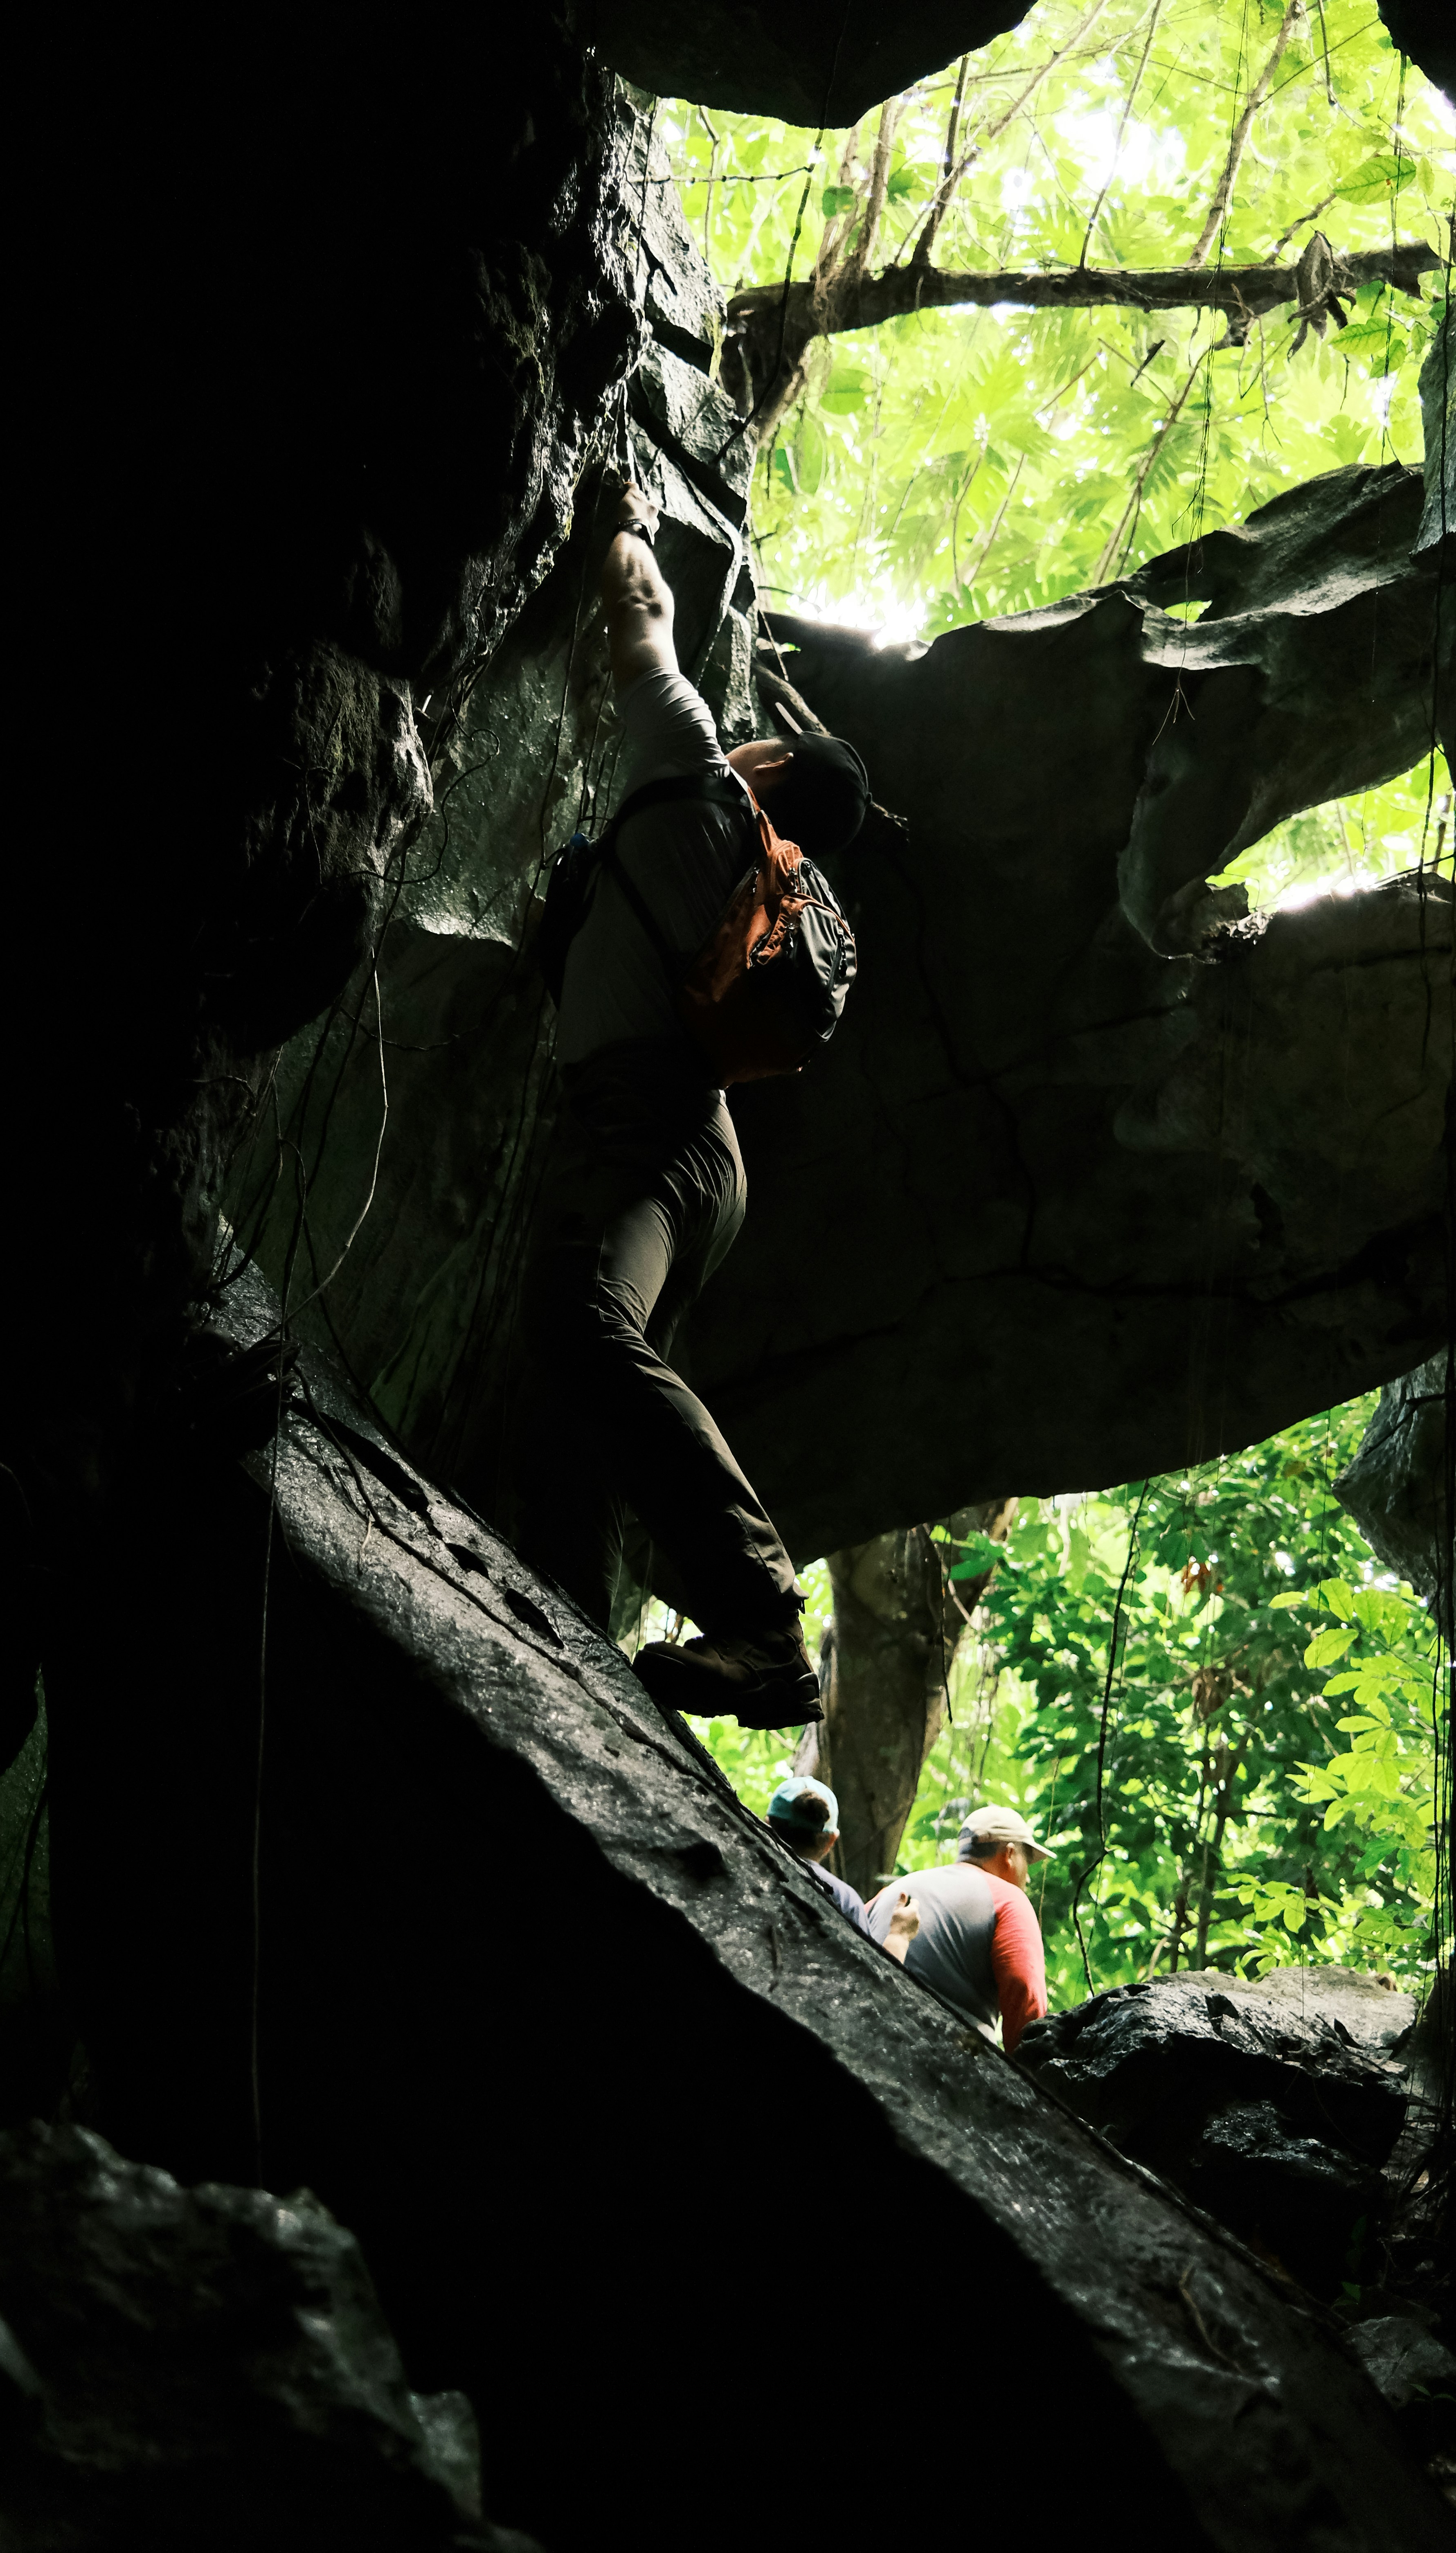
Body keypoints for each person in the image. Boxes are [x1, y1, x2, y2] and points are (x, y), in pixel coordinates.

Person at [512, 476, 871, 1728]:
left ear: (767, 764)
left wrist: (611, 512)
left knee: (580, 1317)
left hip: (652, 1127)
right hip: (704, 1149)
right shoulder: (764, 882)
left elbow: (645, 615)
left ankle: (765, 1627)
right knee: (593, 1367)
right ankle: (572, 1601)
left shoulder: (701, 776)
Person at [864, 1805, 1050, 2053]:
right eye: (1028, 1862)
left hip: (867, 2031)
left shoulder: (894, 1890)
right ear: (1010, 1854)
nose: (1028, 1878)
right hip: (946, 2060)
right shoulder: (1009, 1899)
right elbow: (1024, 1992)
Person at [767, 1776, 919, 1961]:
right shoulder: (844, 1901)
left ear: (767, 1823)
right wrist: (898, 1936)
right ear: (831, 1841)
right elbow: (872, 1982)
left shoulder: (747, 1861)